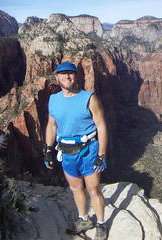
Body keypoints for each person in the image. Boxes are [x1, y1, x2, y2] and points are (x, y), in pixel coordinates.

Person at [44, 61, 108, 240]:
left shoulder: (89, 97)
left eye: (70, 73)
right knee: (75, 188)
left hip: (88, 151)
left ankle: (101, 223)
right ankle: (84, 218)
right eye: (62, 74)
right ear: (57, 77)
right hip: (66, 152)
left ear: (76, 76)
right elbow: (51, 125)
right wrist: (48, 150)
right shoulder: (53, 99)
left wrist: (101, 155)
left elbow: (101, 125)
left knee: (93, 189)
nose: (66, 76)